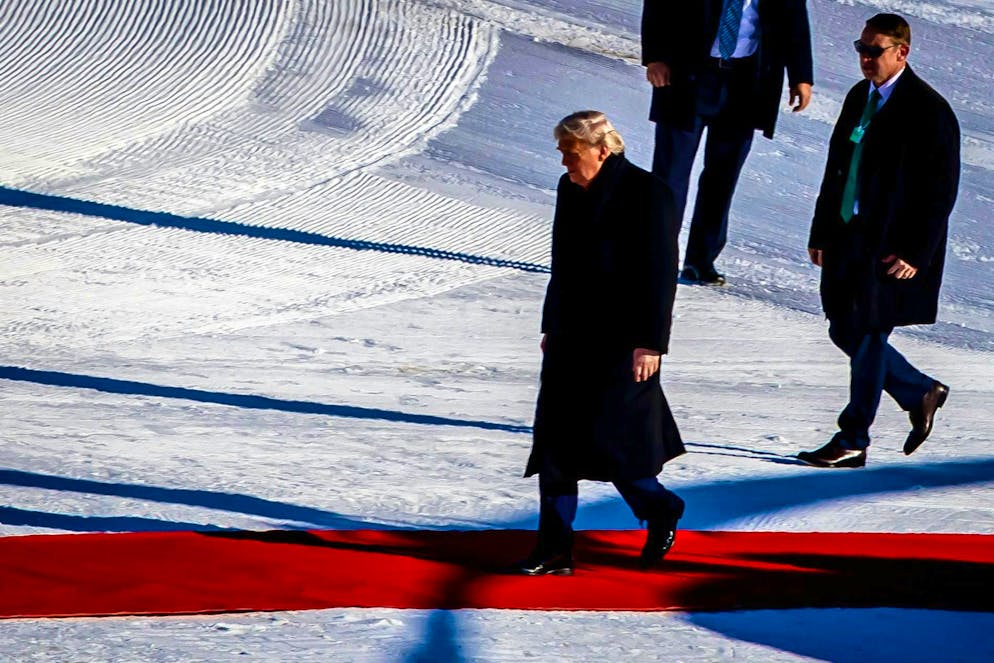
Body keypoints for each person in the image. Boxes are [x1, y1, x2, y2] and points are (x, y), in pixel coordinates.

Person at [518, 111, 686, 576]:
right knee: (556, 444)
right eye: (562, 152)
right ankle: (554, 548)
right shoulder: (568, 188)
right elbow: (562, 263)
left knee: (617, 446)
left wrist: (651, 343)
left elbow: (659, 276)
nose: (564, 161)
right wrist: (551, 327)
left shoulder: (649, 194)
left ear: (602, 150)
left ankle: (660, 508)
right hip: (572, 334)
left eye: (571, 152)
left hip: (624, 341)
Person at [798, 13, 959, 468]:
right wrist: (821, 229)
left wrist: (915, 252)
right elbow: (837, 169)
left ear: (901, 52)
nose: (865, 59)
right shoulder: (859, 96)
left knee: (868, 333)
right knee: (843, 327)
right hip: (848, 236)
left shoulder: (929, 110)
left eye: (874, 51)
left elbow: (940, 190)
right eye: (861, 49)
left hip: (892, 247)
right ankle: (917, 389)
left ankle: (853, 438)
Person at [642, 0, 814, 285]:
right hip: (687, 75)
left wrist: (801, 77)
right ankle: (656, 255)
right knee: (669, 177)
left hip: (747, 83)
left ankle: (700, 261)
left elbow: (794, 19)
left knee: (722, 178)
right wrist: (655, 56)